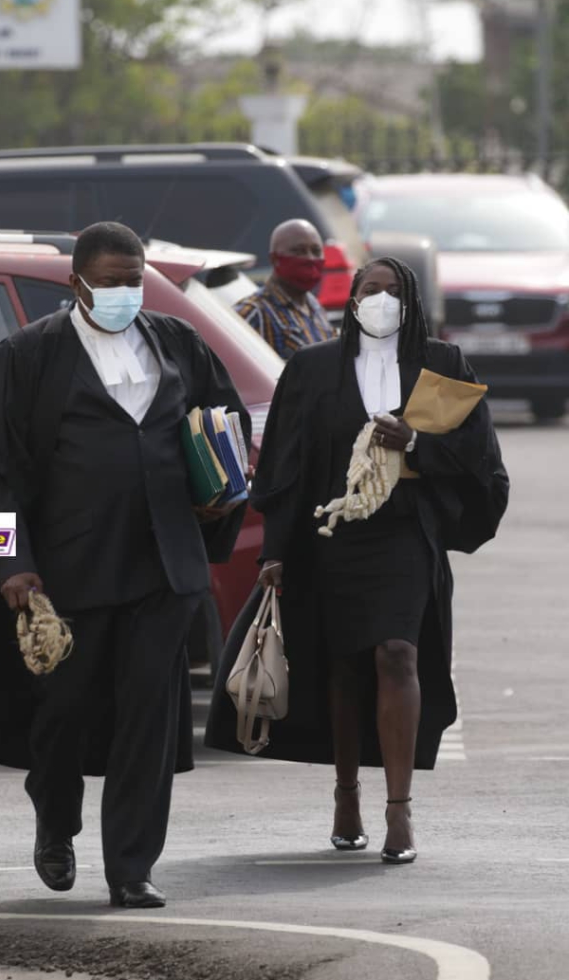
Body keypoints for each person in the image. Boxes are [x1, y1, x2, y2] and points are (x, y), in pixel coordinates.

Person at [0, 222, 250, 908]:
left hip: (164, 568)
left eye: (134, 278)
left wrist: (217, 495)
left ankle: (132, 869)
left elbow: (225, 423)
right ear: (80, 282)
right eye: (111, 279)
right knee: (64, 713)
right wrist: (11, 566)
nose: (125, 291)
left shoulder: (178, 343)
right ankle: (56, 820)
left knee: (148, 713)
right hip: (67, 573)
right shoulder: (29, 356)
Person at [206, 256, 508, 863]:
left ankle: (400, 811)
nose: (379, 300)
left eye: (392, 291)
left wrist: (416, 445)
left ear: (411, 301)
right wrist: (274, 552)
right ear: (353, 301)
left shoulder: (441, 365)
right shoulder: (314, 369)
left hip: (403, 535)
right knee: (344, 669)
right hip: (331, 537)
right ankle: (347, 793)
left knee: (398, 654)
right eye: (369, 290)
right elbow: (285, 469)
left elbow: (478, 458)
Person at [234, 219, 336, 359]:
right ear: (275, 259)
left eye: (316, 251)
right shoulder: (254, 314)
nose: (310, 258)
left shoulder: (314, 305)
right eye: (298, 251)